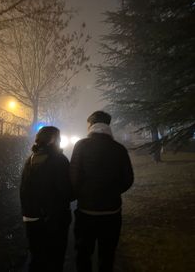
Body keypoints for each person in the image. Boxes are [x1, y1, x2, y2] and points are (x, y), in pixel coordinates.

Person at [70, 111, 134, 272]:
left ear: (91, 126)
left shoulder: (81, 146)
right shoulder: (119, 148)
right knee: (107, 255)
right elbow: (128, 179)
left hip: (86, 212)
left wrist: (82, 194)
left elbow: (74, 178)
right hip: (112, 213)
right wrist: (113, 191)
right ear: (107, 126)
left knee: (84, 255)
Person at [20, 126, 72, 272]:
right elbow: (66, 191)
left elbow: (23, 190)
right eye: (59, 138)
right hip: (54, 220)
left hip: (31, 218)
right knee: (55, 258)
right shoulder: (59, 160)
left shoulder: (29, 160)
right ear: (53, 140)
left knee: (36, 259)